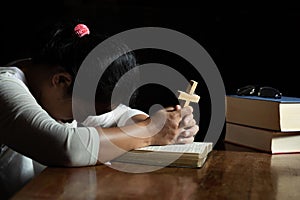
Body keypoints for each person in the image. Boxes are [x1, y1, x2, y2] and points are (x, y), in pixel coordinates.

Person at [0, 19, 199, 198]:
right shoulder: (4, 86)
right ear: (61, 80)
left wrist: (166, 126)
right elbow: (65, 147)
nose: (83, 119)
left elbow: (119, 115)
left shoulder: (60, 86)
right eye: (86, 112)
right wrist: (150, 132)